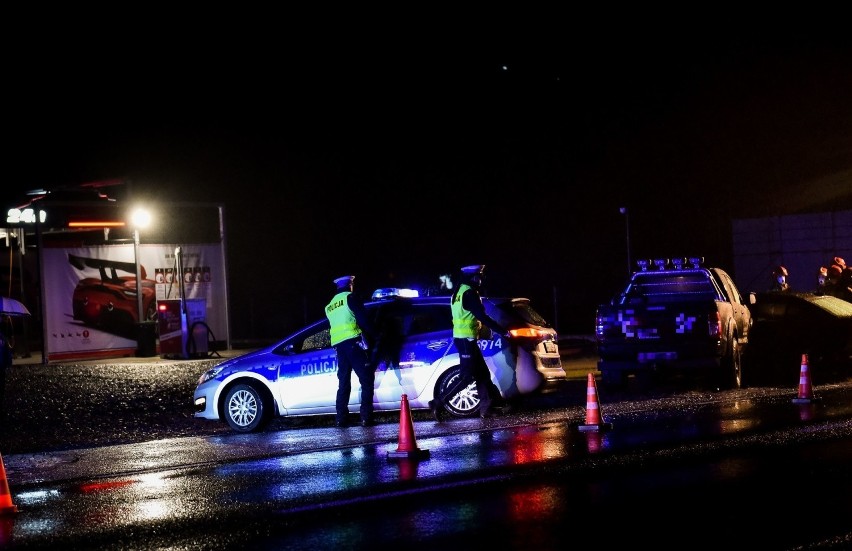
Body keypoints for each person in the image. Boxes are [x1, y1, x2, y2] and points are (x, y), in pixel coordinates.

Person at [429, 264, 509, 421]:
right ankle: (437, 402)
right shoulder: (470, 293)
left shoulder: (458, 291)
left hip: (464, 338)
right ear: (471, 277)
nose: (480, 280)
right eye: (478, 277)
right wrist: (503, 331)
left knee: (482, 374)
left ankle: (488, 408)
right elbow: (482, 316)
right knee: (466, 377)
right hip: (466, 340)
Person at [325, 275, 375, 428]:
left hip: (339, 348)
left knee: (344, 383)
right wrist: (375, 337)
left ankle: (341, 419)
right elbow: (363, 320)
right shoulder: (351, 298)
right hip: (353, 343)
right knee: (366, 379)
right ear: (350, 285)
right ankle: (366, 417)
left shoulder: (329, 306)